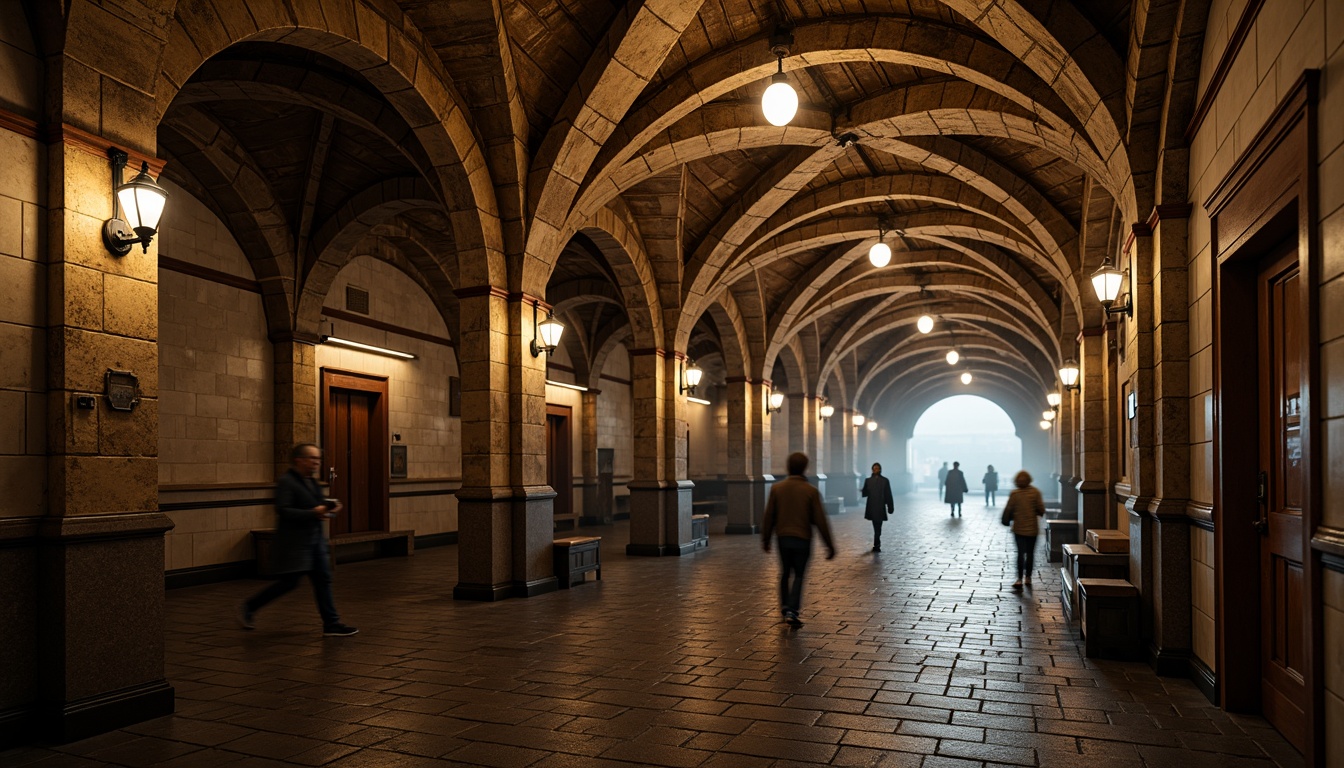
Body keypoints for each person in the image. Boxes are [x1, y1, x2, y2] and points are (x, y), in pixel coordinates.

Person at [239, 443, 359, 636]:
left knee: (323, 579)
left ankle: (331, 624)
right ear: (299, 460)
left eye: (318, 459)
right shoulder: (287, 482)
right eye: (313, 459)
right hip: (296, 544)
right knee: (290, 582)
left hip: (314, 542)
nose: (316, 463)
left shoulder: (311, 481)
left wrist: (330, 510)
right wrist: (313, 512)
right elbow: (284, 510)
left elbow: (318, 507)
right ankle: (250, 606)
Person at [762, 452, 836, 627]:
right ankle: (792, 610)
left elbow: (769, 516)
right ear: (805, 468)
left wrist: (765, 539)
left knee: (785, 572)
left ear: (788, 467)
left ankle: (785, 605)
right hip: (802, 538)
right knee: (799, 575)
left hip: (783, 537)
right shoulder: (811, 491)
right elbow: (820, 520)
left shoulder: (776, 489)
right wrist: (829, 545)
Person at [1001, 470, 1046, 589]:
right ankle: (1028, 578)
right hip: (1032, 529)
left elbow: (1008, 509)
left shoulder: (1014, 494)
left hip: (1019, 529)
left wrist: (1006, 520)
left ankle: (1019, 579)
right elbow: (1041, 509)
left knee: (1020, 554)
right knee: (1030, 554)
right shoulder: (1035, 492)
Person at [861, 463, 895, 552]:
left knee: (878, 526)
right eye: (874, 468)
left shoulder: (885, 481)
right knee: (875, 525)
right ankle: (877, 543)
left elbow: (888, 494)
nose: (876, 470)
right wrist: (863, 490)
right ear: (872, 469)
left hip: (880, 506)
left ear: (880, 469)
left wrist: (890, 506)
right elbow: (865, 493)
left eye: (877, 468)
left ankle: (877, 543)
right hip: (872, 506)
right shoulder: (868, 480)